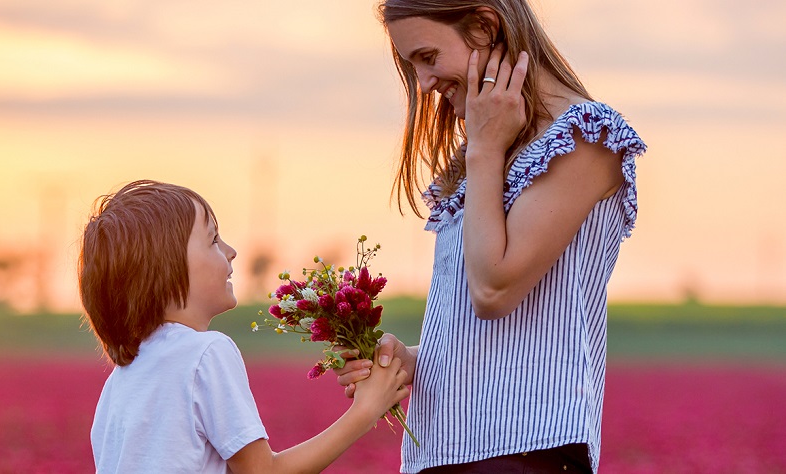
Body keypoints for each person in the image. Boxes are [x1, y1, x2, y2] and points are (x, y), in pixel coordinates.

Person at [334, 1, 647, 473]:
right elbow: (493, 333)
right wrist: (413, 359)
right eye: (411, 65)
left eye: (428, 57)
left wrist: (484, 149)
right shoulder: (489, 148)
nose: (424, 84)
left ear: (484, 27)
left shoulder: (585, 138)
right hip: (450, 450)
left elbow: (493, 290)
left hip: (522, 449)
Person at [78, 179, 409, 473]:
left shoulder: (119, 383)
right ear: (165, 269)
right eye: (213, 241)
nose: (231, 251)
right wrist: (366, 410)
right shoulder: (205, 353)